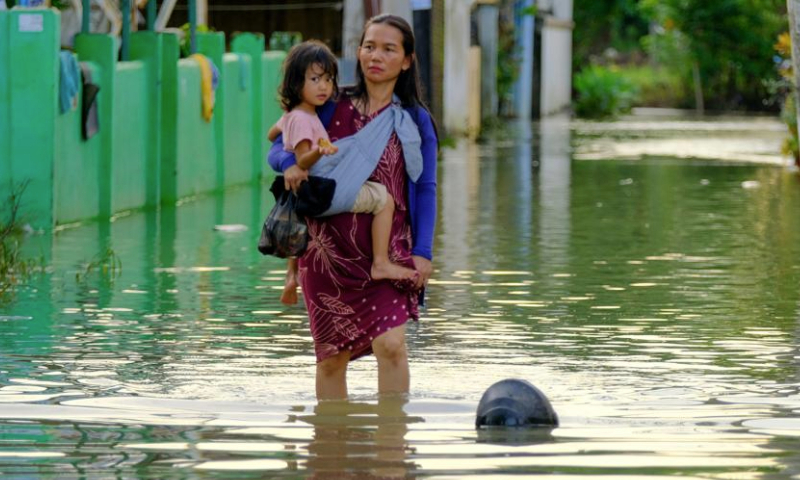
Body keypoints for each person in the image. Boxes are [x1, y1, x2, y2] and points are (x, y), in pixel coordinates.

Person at [268, 14, 438, 400]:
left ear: (407, 60)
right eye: (369, 46)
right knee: (332, 358)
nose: (375, 56)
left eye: (388, 49)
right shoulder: (328, 104)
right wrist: (289, 164)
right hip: (326, 252)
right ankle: (331, 450)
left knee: (391, 345)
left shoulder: (414, 120)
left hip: (387, 252)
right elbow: (278, 147)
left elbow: (425, 188)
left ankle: (391, 449)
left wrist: (422, 252)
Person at [267, 40, 418, 307]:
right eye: (315, 79)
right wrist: (320, 150)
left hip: (304, 192)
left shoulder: (293, 114)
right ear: (295, 82)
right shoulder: (304, 119)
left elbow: (272, 135)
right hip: (323, 191)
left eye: (328, 79)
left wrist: (288, 142)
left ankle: (291, 277)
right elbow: (303, 159)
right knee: (385, 200)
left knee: (298, 232)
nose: (324, 86)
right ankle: (381, 262)